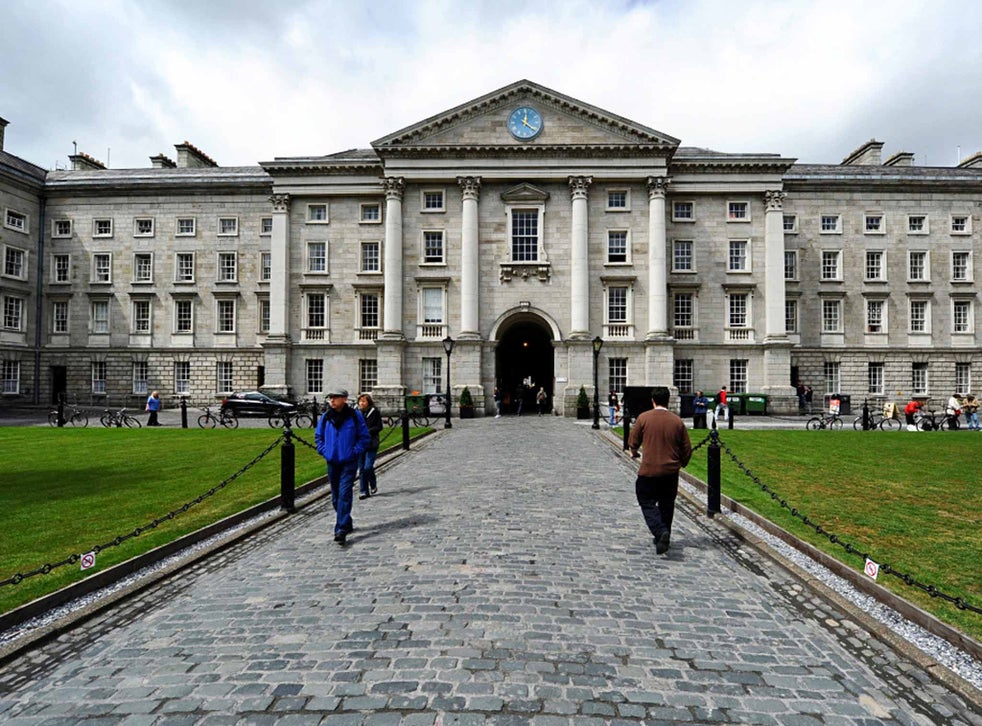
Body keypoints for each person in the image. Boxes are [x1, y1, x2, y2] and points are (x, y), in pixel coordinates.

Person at [629, 387, 692, 555]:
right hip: (670, 471)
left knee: (646, 501)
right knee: (667, 504)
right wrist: (682, 462)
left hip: (649, 470)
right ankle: (664, 537)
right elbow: (687, 448)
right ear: (668, 400)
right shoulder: (677, 421)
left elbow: (633, 441)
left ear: (652, 400)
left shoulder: (644, 418)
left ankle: (660, 531)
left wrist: (634, 452)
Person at [315, 387, 371, 545]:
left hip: (348, 461)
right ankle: (346, 521)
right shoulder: (326, 417)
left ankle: (340, 529)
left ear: (344, 399)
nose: (332, 400)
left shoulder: (354, 416)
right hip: (332, 461)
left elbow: (364, 437)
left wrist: (355, 452)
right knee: (335, 497)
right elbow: (319, 436)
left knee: (345, 493)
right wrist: (325, 451)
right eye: (330, 398)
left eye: (335, 397)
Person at [356, 393, 383, 499]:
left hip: (371, 443)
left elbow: (379, 426)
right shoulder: (356, 412)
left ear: (368, 402)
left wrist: (367, 432)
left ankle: (373, 483)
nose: (361, 403)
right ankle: (363, 490)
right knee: (361, 468)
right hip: (360, 444)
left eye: (364, 401)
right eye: (360, 401)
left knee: (368, 467)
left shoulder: (374, 411)